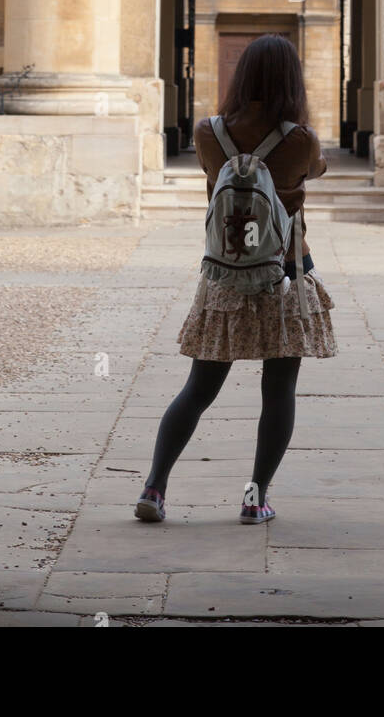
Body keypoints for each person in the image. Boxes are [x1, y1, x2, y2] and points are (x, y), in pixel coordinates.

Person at [134, 33, 338, 524]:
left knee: (199, 388)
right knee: (279, 388)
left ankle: (155, 488)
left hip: (225, 272)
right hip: (284, 272)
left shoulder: (208, 132)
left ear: (240, 74)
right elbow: (318, 170)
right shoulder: (301, 140)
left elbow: (211, 173)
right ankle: (255, 498)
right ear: (292, 80)